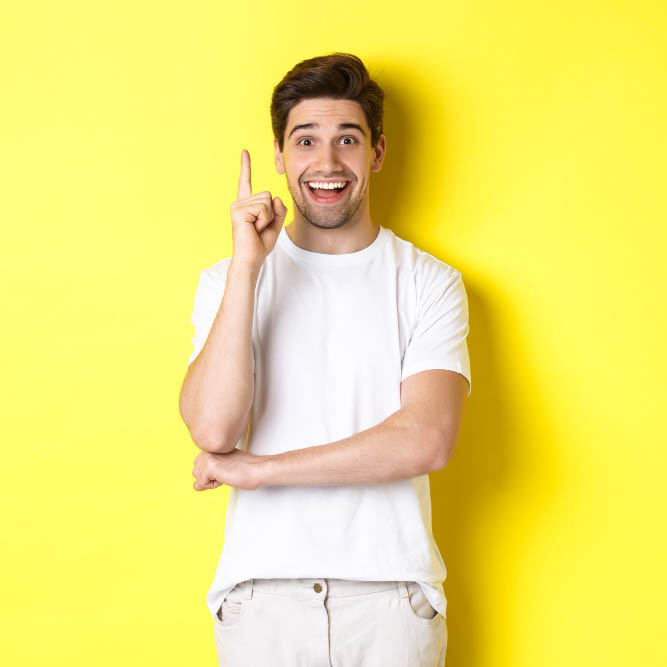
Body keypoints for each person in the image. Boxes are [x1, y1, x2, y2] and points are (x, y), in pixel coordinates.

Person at [179, 52, 471, 666]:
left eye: (348, 139)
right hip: (260, 600)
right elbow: (212, 430)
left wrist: (260, 470)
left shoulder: (429, 282)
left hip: (391, 600)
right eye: (306, 140)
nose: (328, 163)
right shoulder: (227, 280)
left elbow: (426, 439)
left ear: (377, 152)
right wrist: (247, 269)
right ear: (280, 156)